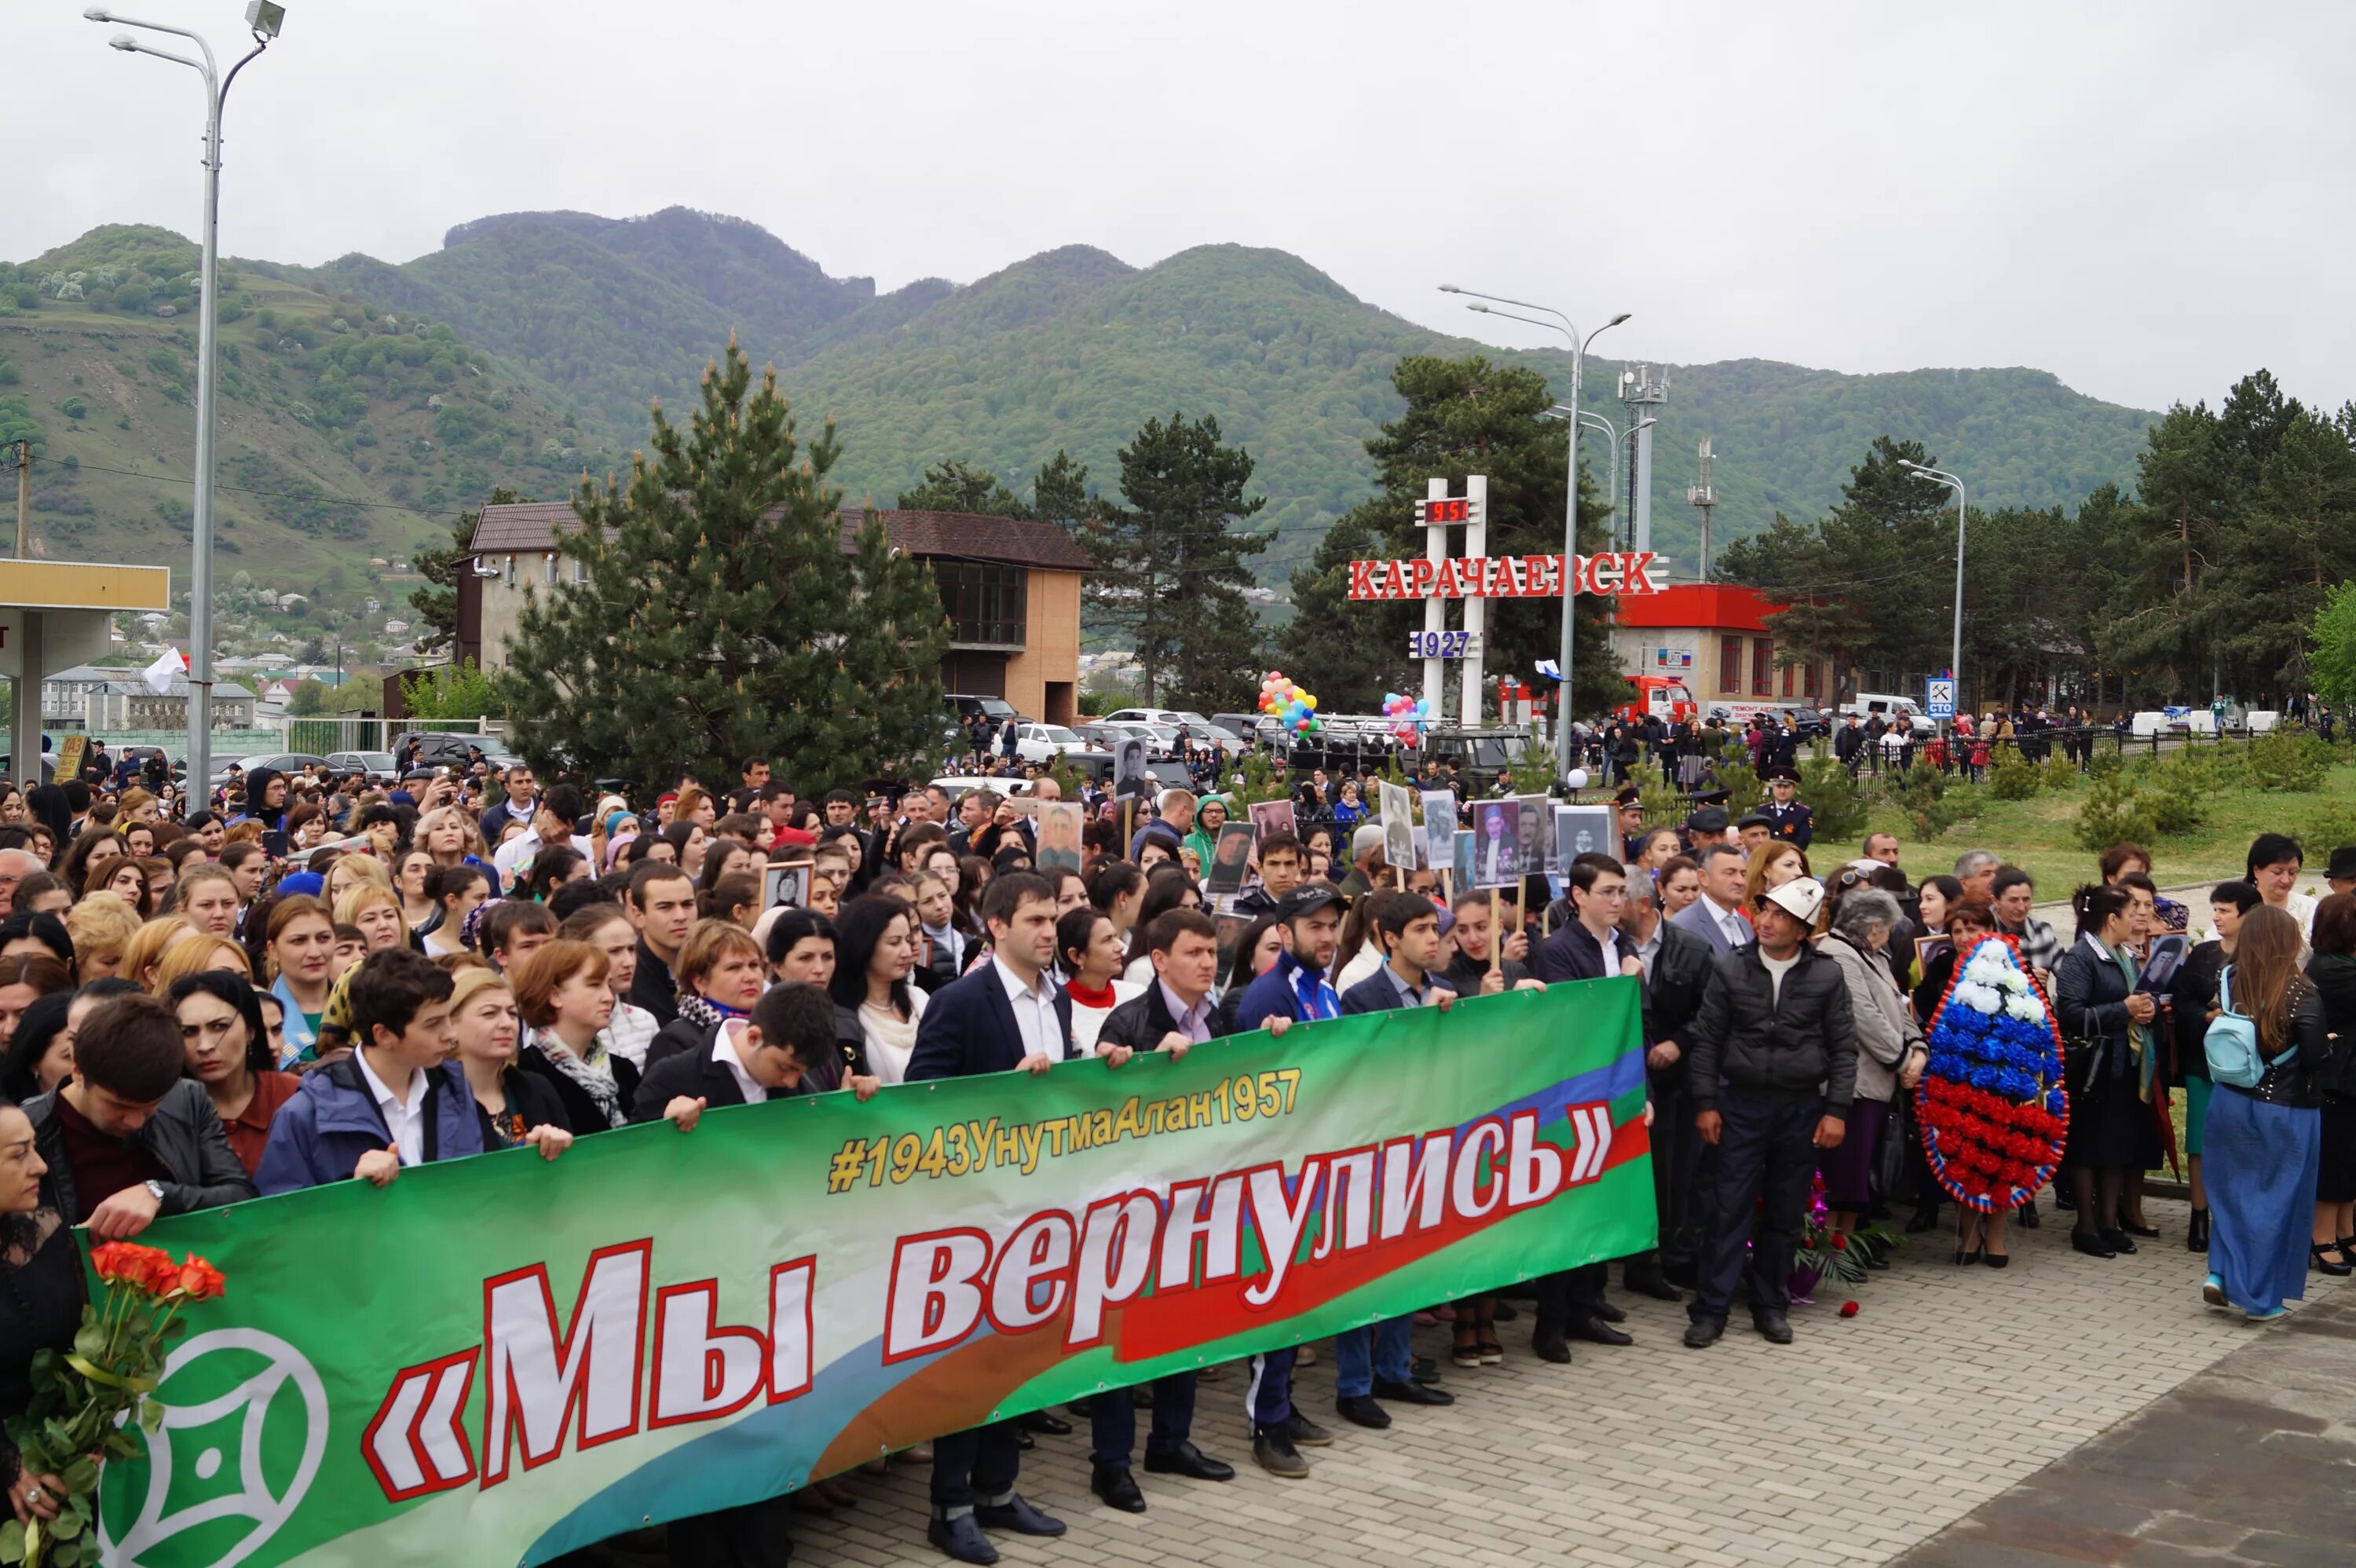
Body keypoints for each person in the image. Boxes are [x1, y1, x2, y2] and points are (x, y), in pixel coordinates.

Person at [904, 872, 1070, 1563]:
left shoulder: (1052, 1001)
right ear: (996, 925)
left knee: (1018, 1355)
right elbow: (922, 1097)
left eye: (1054, 919)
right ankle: (951, 1505)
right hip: (975, 1210)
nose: (1049, 932)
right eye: (1035, 919)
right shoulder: (960, 1000)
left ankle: (1000, 1490)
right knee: (970, 1364)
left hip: (1042, 1204)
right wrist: (1006, 1090)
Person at [1059, 907, 1243, 1511]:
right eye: (1194, 952)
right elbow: (1107, 1112)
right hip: (1134, 1210)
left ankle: (1172, 1440)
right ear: (1160, 959)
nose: (1208, 962)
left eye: (1213, 952)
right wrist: (1142, 1064)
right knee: (1123, 1336)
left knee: (1184, 1322)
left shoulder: (1218, 1014)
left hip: (1199, 1198)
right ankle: (1110, 1462)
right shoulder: (1130, 1019)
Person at [1682, 877, 1857, 1349]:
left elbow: (1843, 1048)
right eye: (1764, 911)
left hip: (1801, 1108)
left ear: (1801, 930)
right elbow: (1707, 1042)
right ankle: (1711, 1310)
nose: (1766, 921)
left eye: (1780, 916)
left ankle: (1770, 1305)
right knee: (1727, 1208)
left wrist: (1836, 1110)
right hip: (1740, 1104)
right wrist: (1706, 1103)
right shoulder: (1730, 968)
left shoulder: (1826, 974)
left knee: (1783, 1213)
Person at [1227, 887, 1335, 1477]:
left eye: (1331, 926)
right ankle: (1265, 1422)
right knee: (1275, 1299)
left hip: (1319, 1163)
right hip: (1276, 1172)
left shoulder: (1326, 989)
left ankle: (1283, 1404)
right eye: (1313, 926)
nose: (1325, 936)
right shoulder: (1268, 993)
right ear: (1286, 931)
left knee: (1301, 1294)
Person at [257, 948, 490, 1193]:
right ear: (384, 1035)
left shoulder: (453, 1086)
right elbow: (282, 1220)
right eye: (433, 1024)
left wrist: (527, 1155)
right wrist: (354, 1196)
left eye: (449, 1019)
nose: (451, 1035)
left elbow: (479, 1188)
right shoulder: (305, 1114)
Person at [25, 992, 255, 1234]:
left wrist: (159, 1194)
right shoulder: (30, 1128)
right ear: (77, 1072)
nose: (134, 1122)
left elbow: (242, 1196)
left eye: (151, 1107)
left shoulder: (187, 1100)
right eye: (119, 1106)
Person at [2201, 905, 2332, 1321]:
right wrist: (2329, 1044)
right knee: (2275, 1201)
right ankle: (2259, 1300)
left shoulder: (2228, 978)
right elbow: (2313, 1055)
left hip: (2229, 1099)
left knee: (2231, 1191)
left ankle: (2220, 1272)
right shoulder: (2300, 989)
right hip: (2285, 1109)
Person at [1816, 889, 1928, 1244]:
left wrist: (1917, 1050)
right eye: (1889, 928)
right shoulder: (1838, 954)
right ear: (1875, 926)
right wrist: (1901, 1061)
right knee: (1840, 1176)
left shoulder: (1874, 955)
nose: (1890, 935)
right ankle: (1826, 1250)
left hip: (1875, 1083)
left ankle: (1843, 1248)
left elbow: (1898, 1006)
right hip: (1853, 1084)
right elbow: (1863, 1016)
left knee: (1856, 1177)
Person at [2052, 884, 2152, 1259]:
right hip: (2093, 1068)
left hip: (2124, 1063)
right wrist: (2123, 1010)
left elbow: (2138, 999)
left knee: (2117, 1146)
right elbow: (2071, 1014)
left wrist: (2148, 1010)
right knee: (2089, 1146)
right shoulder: (2081, 957)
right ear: (2112, 919)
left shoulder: (2125, 955)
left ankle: (2110, 1222)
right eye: (2131, 913)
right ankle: (2086, 1225)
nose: (2138, 918)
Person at [1, 1088, 80, 1535]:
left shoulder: (45, 1232)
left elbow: (77, 1342)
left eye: (35, 1147)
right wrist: (10, 1468)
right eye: (19, 1155)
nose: (41, 1166)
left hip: (57, 1471)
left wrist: (85, 1438)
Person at [2171, 882, 2259, 1254]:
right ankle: (2198, 1217)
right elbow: (2181, 1002)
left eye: (2225, 910)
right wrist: (2208, 1016)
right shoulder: (2203, 955)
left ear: (2248, 915)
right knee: (2199, 1141)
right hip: (2204, 1063)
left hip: (2248, 1067)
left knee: (2242, 1143)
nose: (2217, 917)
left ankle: (2234, 1217)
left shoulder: (2262, 960)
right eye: (2216, 909)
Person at [170, 970, 299, 1177]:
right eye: (189, 1032)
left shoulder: (295, 1095)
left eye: (219, 1027)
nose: (205, 1046)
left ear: (250, 1030)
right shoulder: (162, 1111)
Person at [513, 939, 642, 1135]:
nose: (608, 997)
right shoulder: (525, 1076)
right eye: (594, 985)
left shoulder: (624, 1070)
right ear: (554, 995)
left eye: (608, 985)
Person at [446, 966, 573, 1150]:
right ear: (450, 1024)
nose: (507, 1024)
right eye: (489, 1013)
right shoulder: (432, 1098)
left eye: (512, 1014)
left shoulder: (536, 1087)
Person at [2305, 894, 2356, 1274]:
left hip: (2350, 1077)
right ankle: (2321, 1236)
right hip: (2337, 1079)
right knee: (2335, 1161)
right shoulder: (2332, 969)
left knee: (2350, 1161)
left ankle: (2346, 1229)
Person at [830, 895, 928, 1085]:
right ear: (864, 945)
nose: (907, 952)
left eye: (908, 940)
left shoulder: (919, 1000)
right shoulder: (842, 1017)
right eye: (894, 943)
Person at [1058, 906, 1140, 1056]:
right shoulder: (1057, 1008)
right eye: (1107, 940)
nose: (1120, 947)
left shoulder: (1137, 994)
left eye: (1116, 937)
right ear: (1076, 956)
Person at [625, 861, 699, 1025]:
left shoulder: (712, 965)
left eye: (687, 904)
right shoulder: (627, 980)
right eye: (665, 907)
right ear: (639, 915)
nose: (680, 916)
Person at [1671, 843, 1751, 955]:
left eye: (1743, 874)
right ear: (1703, 877)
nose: (1740, 881)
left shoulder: (1745, 924)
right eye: (1730, 873)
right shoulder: (1681, 927)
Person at [2247, 832, 2318, 939]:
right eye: (2277, 872)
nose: (2286, 880)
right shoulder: (2238, 907)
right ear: (2256, 870)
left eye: (2292, 873)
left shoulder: (2309, 907)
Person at [1760, 769, 1813, 849]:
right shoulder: (1762, 810)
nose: (1782, 791)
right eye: (1778, 786)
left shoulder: (1803, 813)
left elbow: (1803, 841)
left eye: (1786, 787)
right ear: (1773, 788)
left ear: (1794, 789)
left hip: (1789, 855)